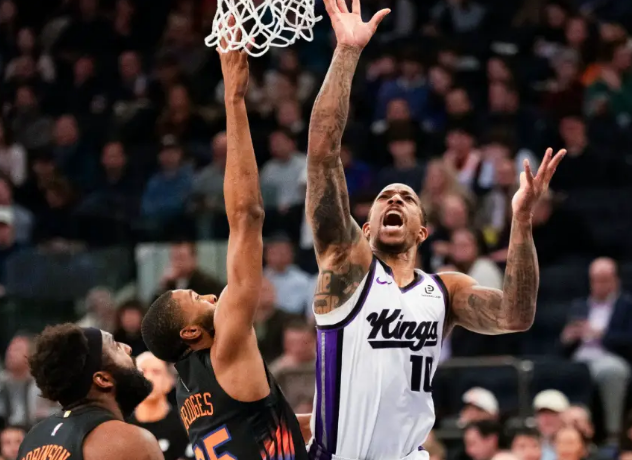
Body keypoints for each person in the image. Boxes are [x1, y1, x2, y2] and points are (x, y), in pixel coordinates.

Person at [303, 0, 566, 457]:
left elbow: (515, 316)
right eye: (386, 196)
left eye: (407, 198)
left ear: (423, 232)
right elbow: (323, 154)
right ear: (365, 228)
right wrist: (346, 52)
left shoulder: (445, 292)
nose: (395, 199)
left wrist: (521, 222)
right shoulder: (345, 265)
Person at [141, 37, 310, 460]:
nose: (212, 296)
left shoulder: (187, 391)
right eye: (197, 298)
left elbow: (259, 430)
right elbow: (247, 216)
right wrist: (234, 99)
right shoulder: (226, 344)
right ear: (191, 333)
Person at [17, 324, 163, 460]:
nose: (128, 348)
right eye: (116, 346)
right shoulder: (130, 442)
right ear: (103, 379)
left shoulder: (32, 440)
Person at [560, 257, 632, 439]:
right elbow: (563, 346)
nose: (599, 285)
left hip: (611, 356)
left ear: (616, 280)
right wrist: (568, 337)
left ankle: (613, 433)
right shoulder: (580, 305)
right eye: (595, 280)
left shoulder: (626, 305)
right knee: (564, 371)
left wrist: (601, 335)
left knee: (612, 371)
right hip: (581, 356)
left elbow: (628, 340)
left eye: (604, 280)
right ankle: (571, 432)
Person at [130, 352, 191, 460]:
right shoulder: (121, 426)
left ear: (170, 380)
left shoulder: (187, 423)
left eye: (156, 372)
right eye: (142, 371)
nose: (148, 377)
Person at [534, 389, 570, 460]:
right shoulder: (531, 450)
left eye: (553, 413)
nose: (546, 419)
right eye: (542, 414)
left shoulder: (577, 449)